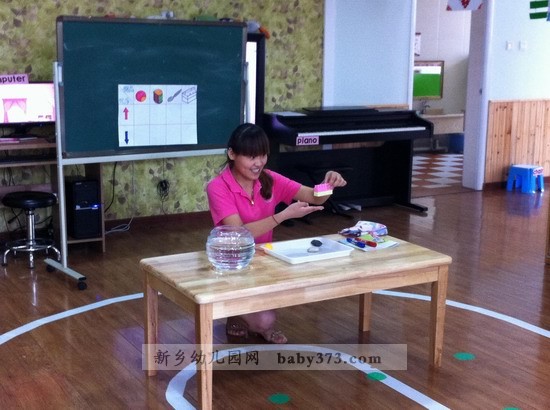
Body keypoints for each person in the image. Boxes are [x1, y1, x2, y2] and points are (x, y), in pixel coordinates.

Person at [206, 123, 347, 343]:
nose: (259, 163)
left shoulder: (269, 178)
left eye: (263, 155)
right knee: (264, 321)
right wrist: (282, 216)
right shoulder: (217, 187)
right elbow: (239, 234)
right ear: (232, 154)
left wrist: (328, 184)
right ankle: (234, 311)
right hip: (233, 263)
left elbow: (313, 196)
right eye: (251, 157)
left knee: (267, 317)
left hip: (264, 261)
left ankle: (241, 312)